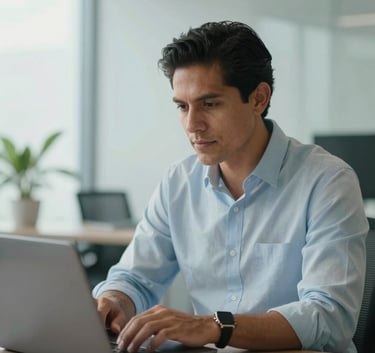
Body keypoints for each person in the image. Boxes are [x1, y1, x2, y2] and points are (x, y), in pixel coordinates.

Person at [93, 21, 369, 353]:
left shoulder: (327, 181)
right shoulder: (178, 183)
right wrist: (115, 300)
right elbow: (136, 277)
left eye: (210, 104)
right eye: (182, 106)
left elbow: (329, 316)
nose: (192, 125)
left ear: (258, 98)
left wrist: (214, 327)